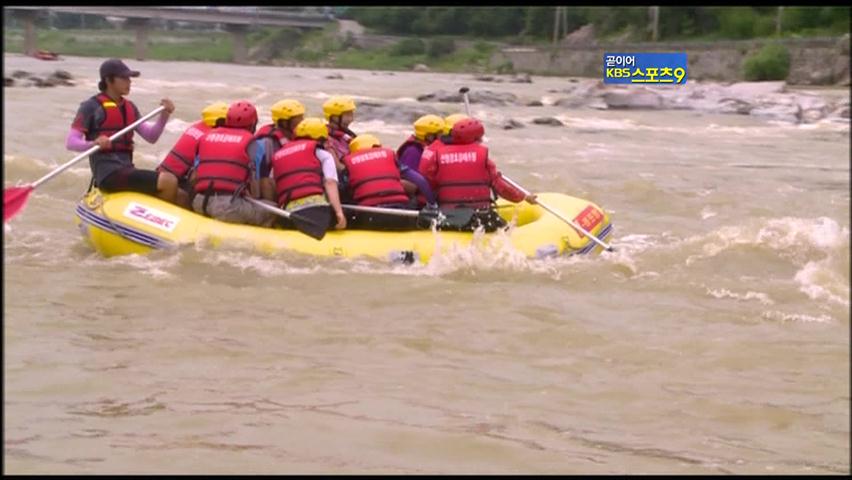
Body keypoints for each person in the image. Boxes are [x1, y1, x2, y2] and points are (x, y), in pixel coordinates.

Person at [66, 58, 177, 202]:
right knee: (168, 181)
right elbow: (71, 142)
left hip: (127, 169)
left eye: (129, 78)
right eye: (124, 78)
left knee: (180, 195)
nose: (129, 82)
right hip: (108, 174)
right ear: (108, 80)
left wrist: (164, 115)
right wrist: (93, 144)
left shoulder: (130, 107)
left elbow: (151, 136)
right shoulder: (91, 107)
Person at [419, 117, 537, 231]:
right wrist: (524, 197)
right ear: (476, 138)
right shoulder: (483, 156)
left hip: (447, 216)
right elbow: (501, 187)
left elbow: (429, 184)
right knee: (507, 228)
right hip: (479, 217)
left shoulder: (438, 155)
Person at [191, 100, 275, 227]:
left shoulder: (207, 137)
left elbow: (194, 177)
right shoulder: (253, 144)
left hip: (199, 203)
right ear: (253, 124)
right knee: (272, 209)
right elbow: (259, 184)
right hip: (229, 208)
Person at [269, 117, 346, 230]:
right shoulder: (323, 154)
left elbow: (272, 183)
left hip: (288, 215)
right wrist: (339, 213)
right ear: (320, 138)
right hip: (318, 213)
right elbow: (330, 182)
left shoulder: (279, 154)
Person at [156, 101, 228, 208]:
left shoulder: (197, 127)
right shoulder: (210, 137)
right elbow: (194, 178)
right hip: (174, 183)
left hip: (161, 175)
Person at [252, 99, 305, 199]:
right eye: (298, 118)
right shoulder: (266, 143)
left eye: (302, 117)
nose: (302, 121)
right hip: (270, 188)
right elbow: (260, 176)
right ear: (284, 123)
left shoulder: (296, 139)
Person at [343, 134, 411, 209]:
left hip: (368, 207)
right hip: (399, 203)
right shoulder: (389, 154)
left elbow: (344, 188)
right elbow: (416, 179)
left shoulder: (350, 161)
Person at [395, 115, 443, 207]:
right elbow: (411, 183)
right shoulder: (412, 151)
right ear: (430, 136)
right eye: (440, 134)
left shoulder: (423, 148)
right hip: (414, 199)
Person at [321, 95, 357, 169]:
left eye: (351, 115)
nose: (351, 119)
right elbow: (337, 167)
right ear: (334, 117)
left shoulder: (348, 136)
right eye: (348, 115)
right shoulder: (326, 138)